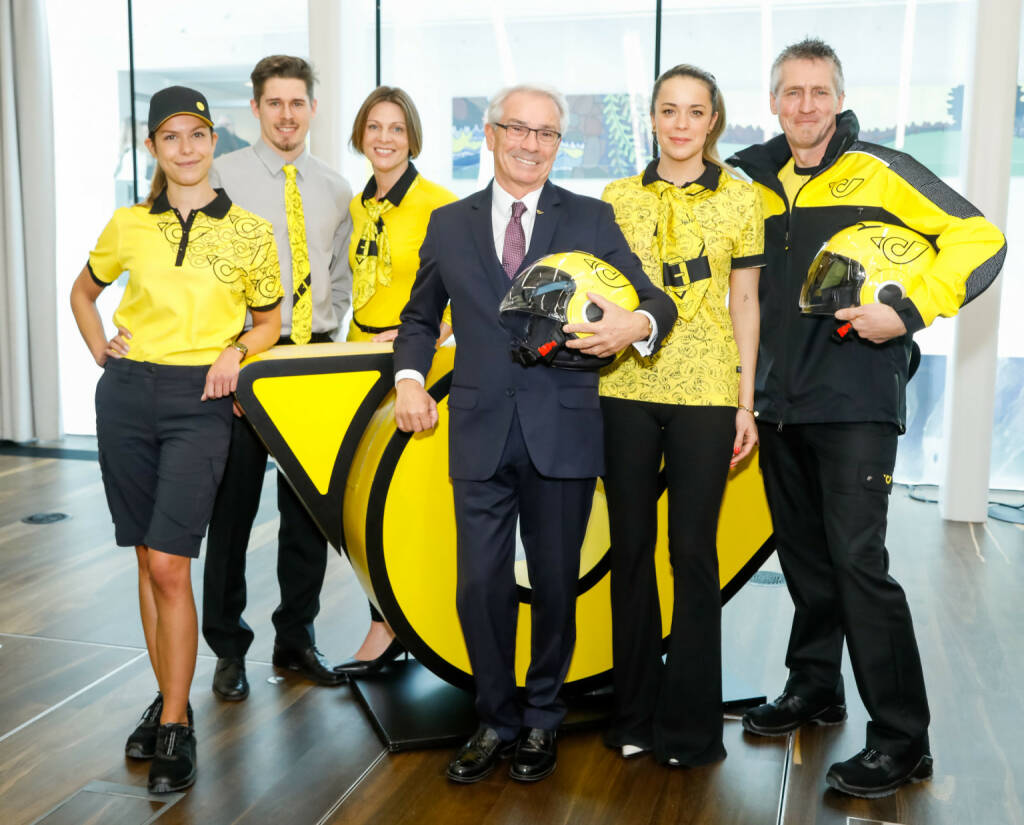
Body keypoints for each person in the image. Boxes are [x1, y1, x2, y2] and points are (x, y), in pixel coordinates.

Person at [727, 38, 1006, 798]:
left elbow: (981, 238)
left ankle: (903, 738)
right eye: (792, 92)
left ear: (840, 100)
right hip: (779, 403)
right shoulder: (753, 178)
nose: (805, 105)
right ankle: (815, 684)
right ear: (774, 101)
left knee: (858, 565)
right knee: (805, 559)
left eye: (819, 91)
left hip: (855, 402)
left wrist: (908, 312)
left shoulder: (881, 170)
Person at [393, 84, 677, 784]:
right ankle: (495, 717)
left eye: (546, 133)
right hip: (479, 430)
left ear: (558, 145)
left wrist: (634, 325)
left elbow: (653, 299)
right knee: (480, 585)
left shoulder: (590, 216)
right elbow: (420, 318)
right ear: (491, 134)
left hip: (563, 431)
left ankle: (544, 716)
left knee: (555, 582)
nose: (530, 143)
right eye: (517, 128)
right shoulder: (448, 223)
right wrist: (409, 378)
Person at [69, 86, 283, 793]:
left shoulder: (250, 230)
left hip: (202, 403)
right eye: (170, 137)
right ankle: (171, 699)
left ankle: (174, 723)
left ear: (213, 141)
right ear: (153, 147)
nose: (185, 148)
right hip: (127, 397)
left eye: (197, 134)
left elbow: (268, 321)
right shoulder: (128, 223)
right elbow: (83, 292)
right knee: (145, 556)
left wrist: (235, 351)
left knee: (169, 561)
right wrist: (101, 351)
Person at [596, 65, 763, 768]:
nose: (682, 124)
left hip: (707, 392)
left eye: (696, 111)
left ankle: (693, 726)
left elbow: (744, 302)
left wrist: (745, 400)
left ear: (713, 120)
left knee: (693, 553)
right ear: (654, 118)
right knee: (630, 550)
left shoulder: (742, 198)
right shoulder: (616, 198)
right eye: (670, 110)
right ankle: (633, 713)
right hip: (624, 387)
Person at [201, 55, 353, 700]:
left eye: (297, 103)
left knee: (308, 513)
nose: (286, 115)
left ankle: (296, 637)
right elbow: (207, 277)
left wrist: (328, 336)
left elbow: (340, 277)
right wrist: (233, 355)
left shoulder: (336, 187)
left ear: (312, 108)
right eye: (274, 103)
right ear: (256, 108)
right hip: (245, 359)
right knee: (232, 512)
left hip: (312, 360)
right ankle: (227, 649)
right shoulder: (220, 177)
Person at [334, 86, 456, 675]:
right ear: (361, 134)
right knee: (363, 502)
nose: (384, 138)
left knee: (407, 499)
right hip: (361, 355)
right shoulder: (360, 205)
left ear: (413, 138)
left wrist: (428, 337)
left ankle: (408, 624)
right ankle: (385, 621)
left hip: (414, 362)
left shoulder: (439, 204)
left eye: (396, 128)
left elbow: (467, 288)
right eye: (375, 127)